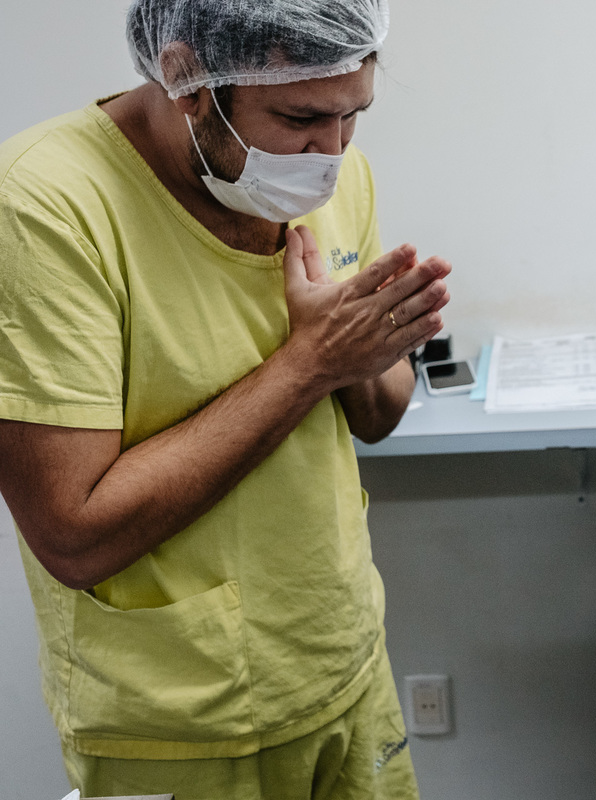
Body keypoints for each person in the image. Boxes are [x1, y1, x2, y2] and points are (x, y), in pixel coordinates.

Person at [0, 1, 447, 797]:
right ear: (185, 79)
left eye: (356, 115)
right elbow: (72, 535)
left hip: (343, 668)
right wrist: (309, 363)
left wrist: (367, 354)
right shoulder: (46, 205)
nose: (333, 155)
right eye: (301, 117)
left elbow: (379, 415)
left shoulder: (336, 178)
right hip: (177, 723)